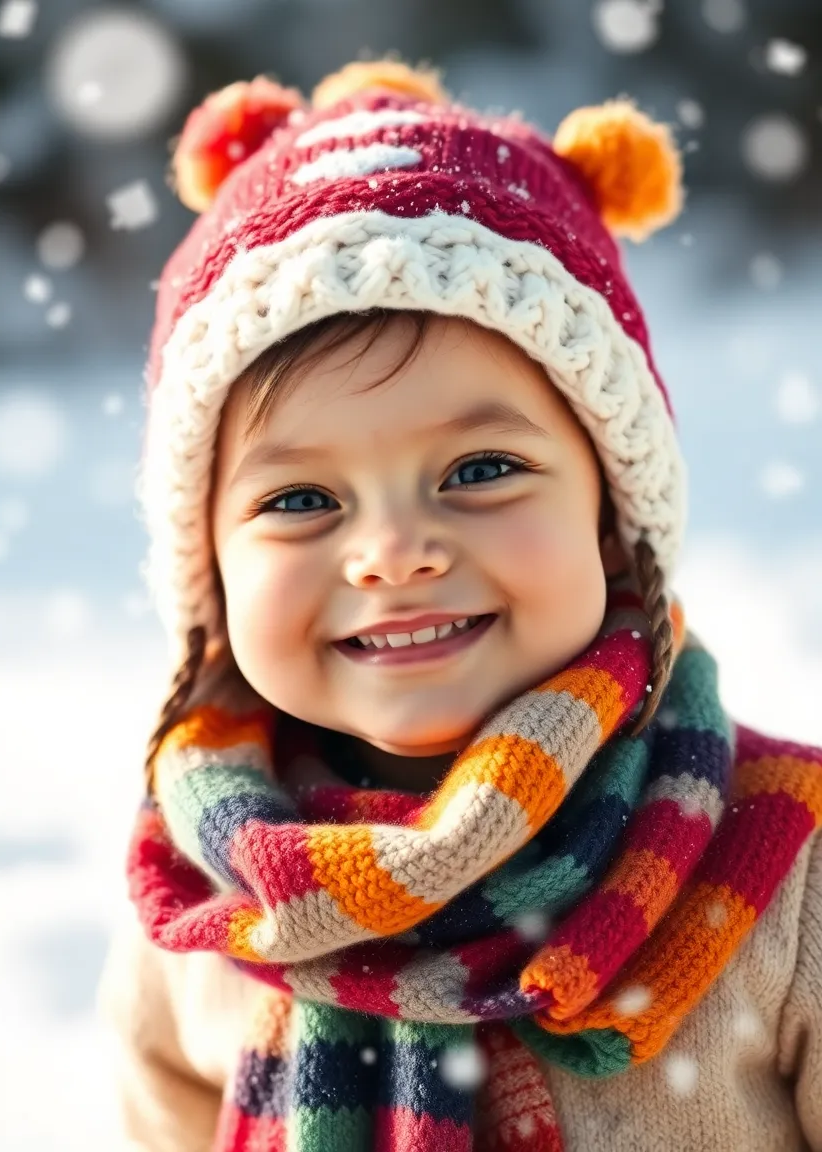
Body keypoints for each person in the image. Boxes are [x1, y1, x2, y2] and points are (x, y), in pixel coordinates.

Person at [97, 59, 822, 1152]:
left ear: (611, 517)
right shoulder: (197, 909)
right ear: (209, 573)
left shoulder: (778, 875)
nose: (391, 553)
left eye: (478, 471)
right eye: (300, 500)